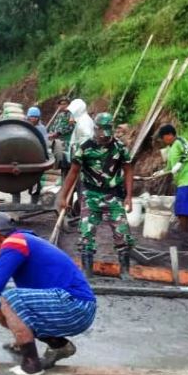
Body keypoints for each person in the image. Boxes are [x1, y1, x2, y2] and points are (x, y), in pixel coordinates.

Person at [0, 212, 97, 375]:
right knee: (0, 309)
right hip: (71, 306)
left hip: (75, 305)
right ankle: (59, 346)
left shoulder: (15, 241)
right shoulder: (25, 243)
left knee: (9, 298)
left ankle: (31, 368)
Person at [61, 112, 134, 280]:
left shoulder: (120, 148)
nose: (103, 139)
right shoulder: (85, 148)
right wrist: (63, 197)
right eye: (101, 136)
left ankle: (125, 271)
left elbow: (129, 170)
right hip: (91, 195)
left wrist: (129, 196)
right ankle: (87, 272)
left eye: (107, 136)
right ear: (95, 130)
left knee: (122, 232)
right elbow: (73, 173)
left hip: (113, 195)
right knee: (86, 233)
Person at [153, 124, 188, 245]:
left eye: (163, 137)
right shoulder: (170, 148)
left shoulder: (180, 141)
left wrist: (180, 163)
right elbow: (169, 166)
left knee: (183, 208)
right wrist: (161, 171)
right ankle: (183, 233)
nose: (163, 140)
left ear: (169, 135)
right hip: (181, 181)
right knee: (179, 208)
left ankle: (184, 235)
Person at [49, 96, 74, 179]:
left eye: (65, 104)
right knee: (56, 161)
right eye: (61, 104)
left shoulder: (72, 115)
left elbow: (70, 127)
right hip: (57, 142)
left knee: (65, 163)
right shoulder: (60, 115)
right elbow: (54, 126)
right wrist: (51, 133)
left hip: (67, 143)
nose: (63, 106)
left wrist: (58, 133)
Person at [26, 106, 46, 204]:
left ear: (38, 118)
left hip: (37, 157)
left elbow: (44, 143)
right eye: (31, 117)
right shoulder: (24, 126)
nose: (33, 119)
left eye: (35, 117)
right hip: (25, 156)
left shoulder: (41, 129)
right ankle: (16, 202)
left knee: (35, 181)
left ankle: (33, 204)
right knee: (18, 181)